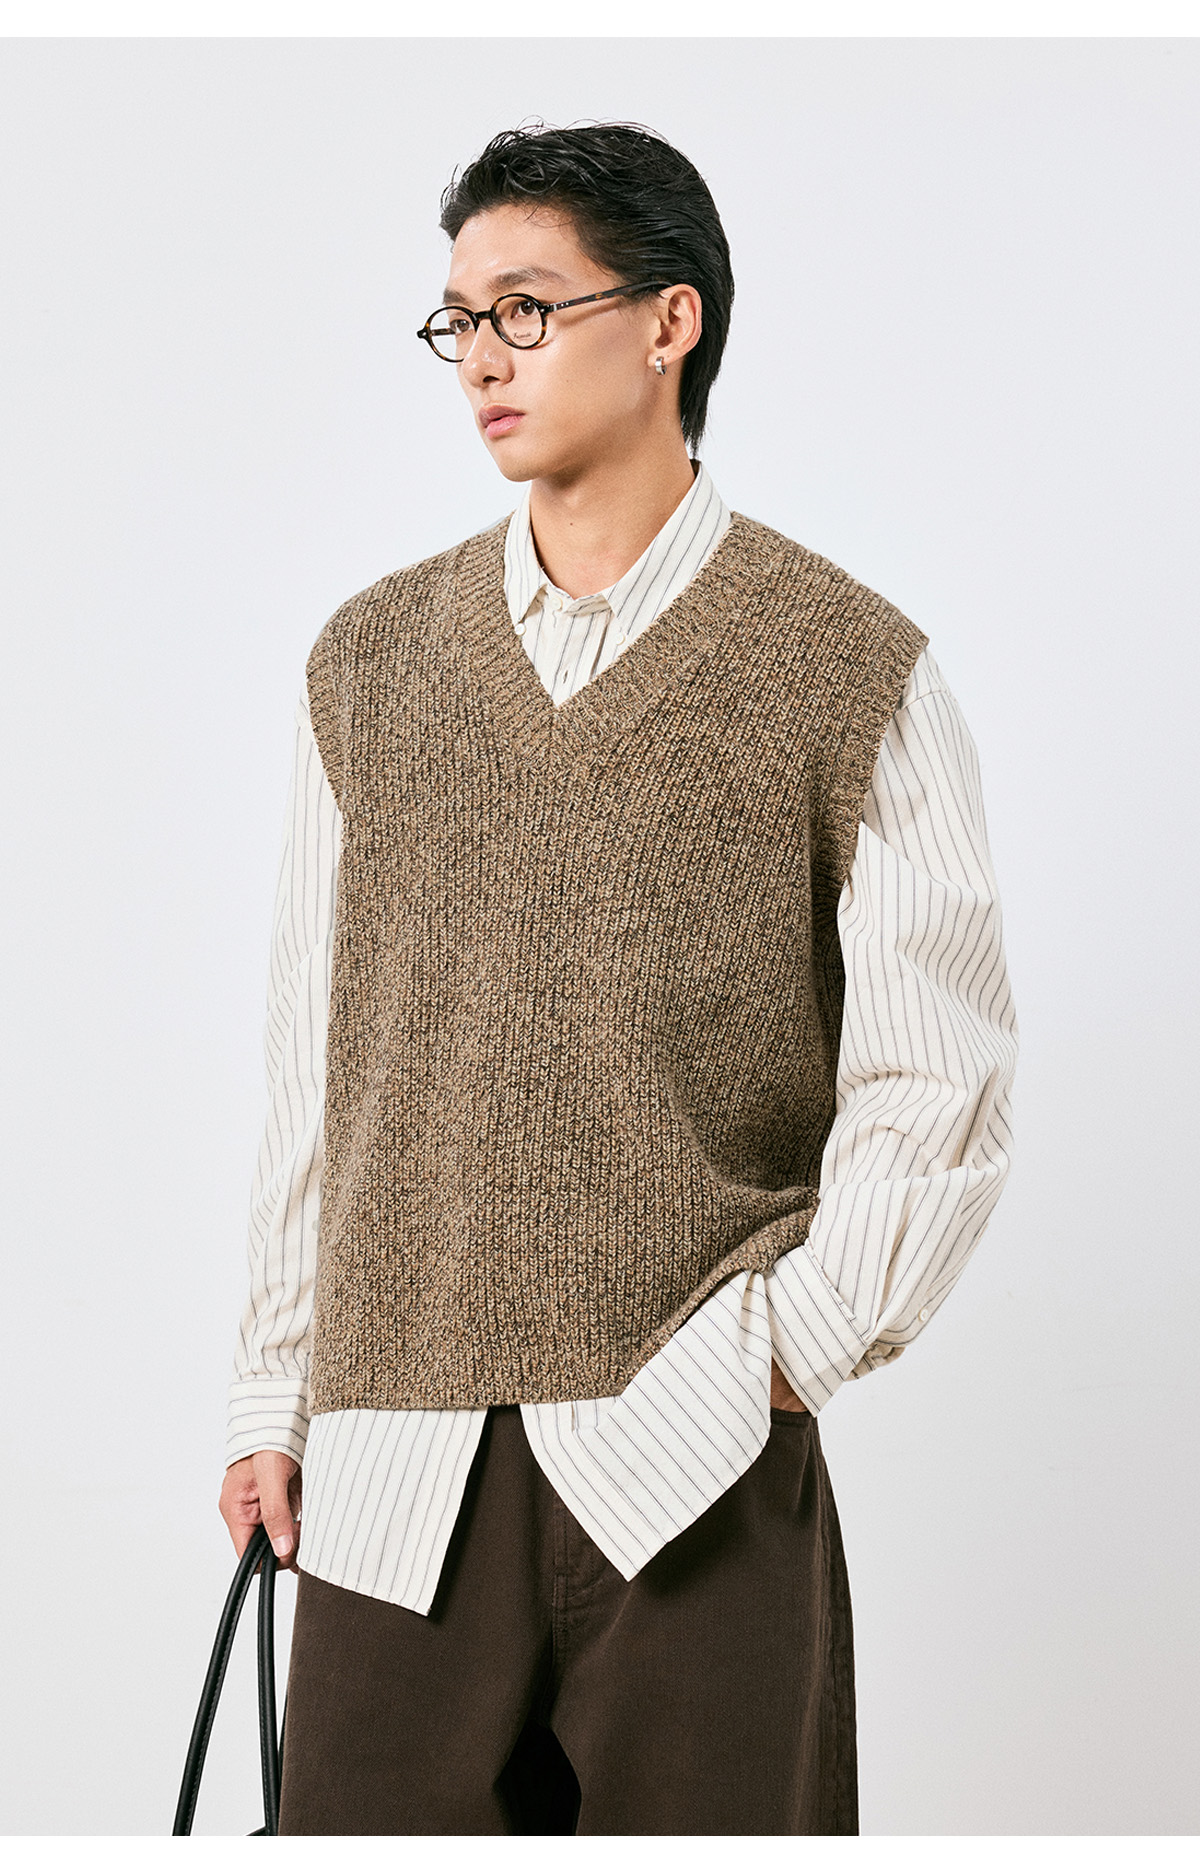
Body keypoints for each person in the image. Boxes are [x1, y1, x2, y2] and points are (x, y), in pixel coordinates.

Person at [218, 121, 1018, 1836]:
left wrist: (782, 1353)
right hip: (394, 1476)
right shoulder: (367, 662)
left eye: (526, 307)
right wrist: (270, 1391)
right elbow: (315, 1071)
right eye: (459, 319)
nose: (480, 358)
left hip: (697, 1477)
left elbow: (937, 1080)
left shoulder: (847, 663)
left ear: (671, 321)